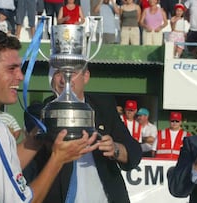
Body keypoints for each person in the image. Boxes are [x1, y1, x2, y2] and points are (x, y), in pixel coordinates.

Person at [0, 30, 98, 202]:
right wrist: (58, 159)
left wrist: (36, 138)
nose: (20, 76)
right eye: (11, 69)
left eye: (20, 69)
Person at [30, 67, 142, 202]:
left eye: (73, 72)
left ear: (86, 76)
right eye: (58, 72)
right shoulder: (42, 112)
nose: (65, 79)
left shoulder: (103, 106)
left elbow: (134, 153)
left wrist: (115, 149)